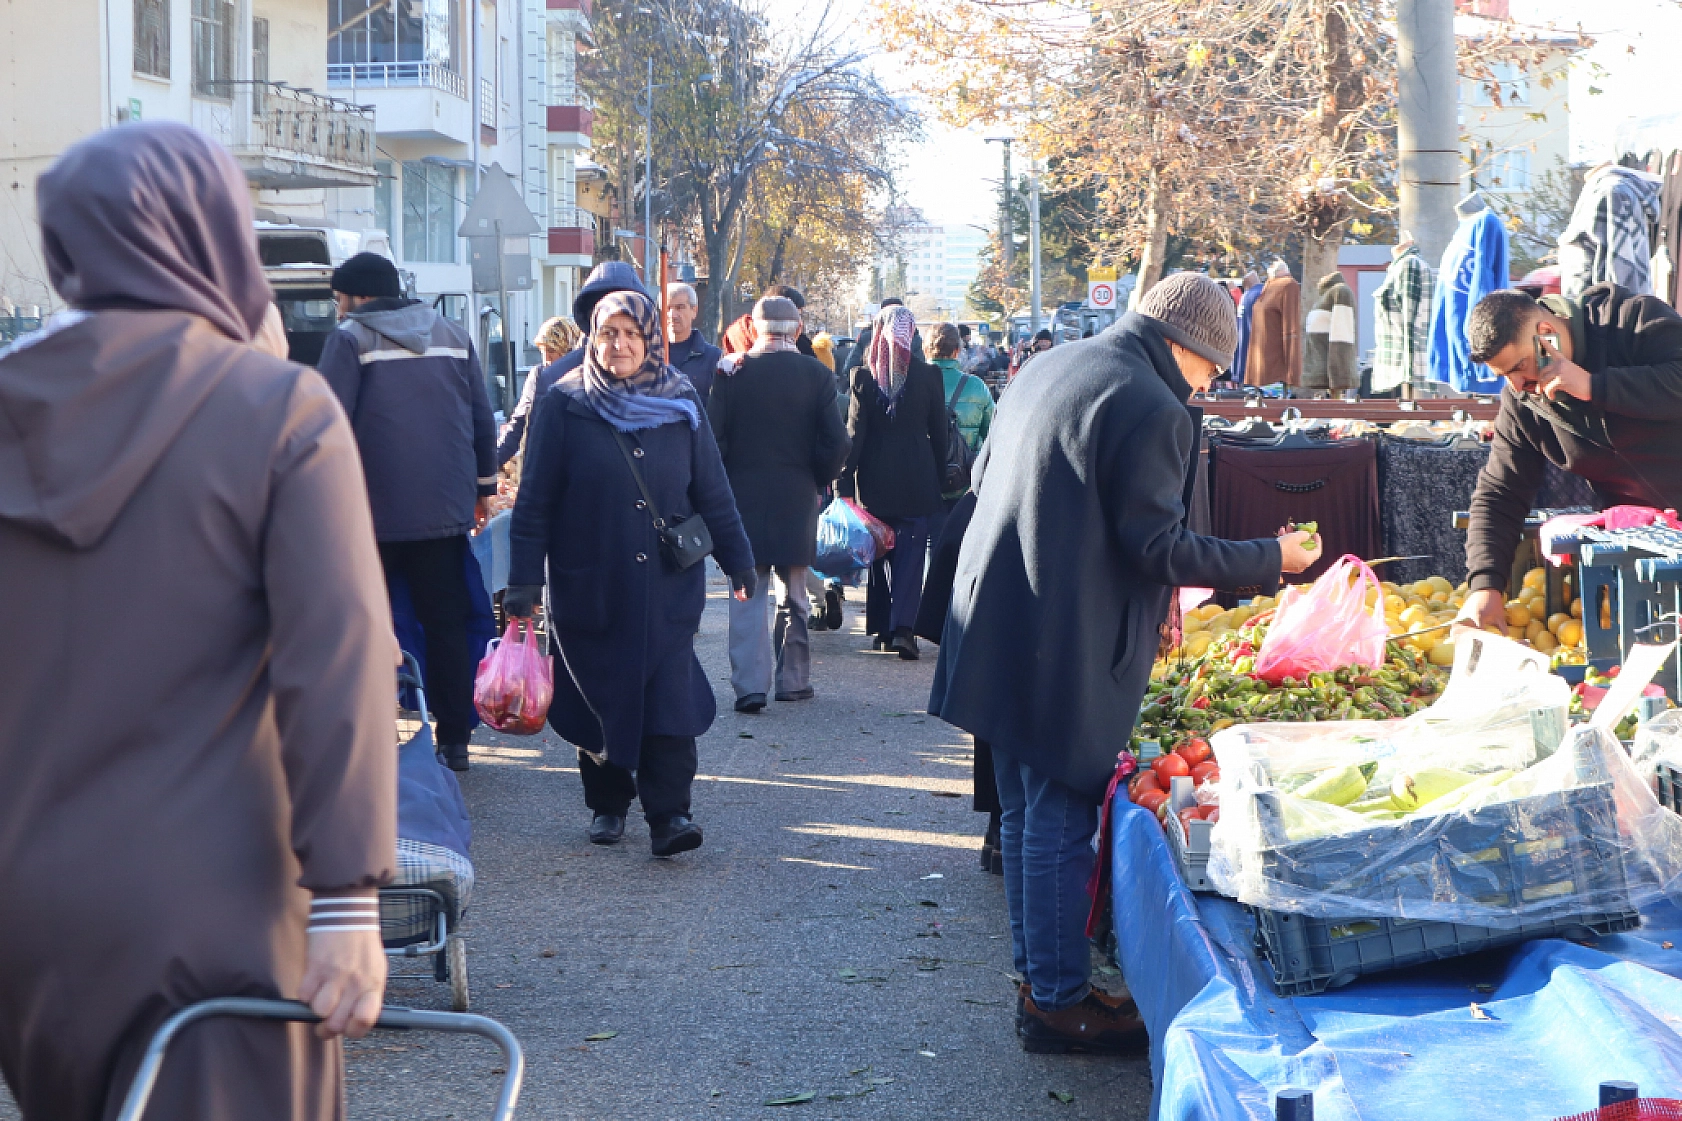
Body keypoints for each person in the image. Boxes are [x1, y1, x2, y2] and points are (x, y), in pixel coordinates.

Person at [0, 121, 394, 1119]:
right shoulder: (279, 410)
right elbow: (336, 661)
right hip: (222, 906)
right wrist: (348, 895)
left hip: (29, 909)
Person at [929, 273, 1318, 1055]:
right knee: (1058, 819)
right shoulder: (1155, 405)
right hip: (1059, 639)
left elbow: (988, 483)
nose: (1210, 386)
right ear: (1186, 347)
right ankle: (1057, 1003)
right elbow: (1158, 545)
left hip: (995, 617)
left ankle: (1042, 982)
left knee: (1024, 811)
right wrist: (1271, 555)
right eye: (1212, 368)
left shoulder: (1050, 365)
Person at [503, 290, 755, 855]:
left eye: (630, 335)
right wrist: (524, 582)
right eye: (608, 335)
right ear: (592, 340)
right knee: (600, 695)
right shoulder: (564, 403)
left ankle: (670, 815)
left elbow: (712, 490)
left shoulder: (682, 399)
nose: (619, 345)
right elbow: (535, 502)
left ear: (649, 341)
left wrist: (739, 561)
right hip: (589, 582)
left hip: (667, 586)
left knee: (670, 699)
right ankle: (608, 803)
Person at [316, 251, 495, 773]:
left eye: (339, 298)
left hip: (369, 514)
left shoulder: (349, 339)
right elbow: (481, 417)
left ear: (359, 297)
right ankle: (455, 739)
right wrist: (483, 488)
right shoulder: (452, 334)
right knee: (444, 623)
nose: (338, 308)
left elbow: (327, 425)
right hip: (443, 511)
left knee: (367, 622)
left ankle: (372, 732)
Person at [1456, 285, 1682, 632]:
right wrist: (1485, 585)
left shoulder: (1632, 320)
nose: (1517, 385)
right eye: (1505, 376)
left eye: (1519, 366)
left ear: (1546, 334)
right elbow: (1500, 493)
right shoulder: (1523, 402)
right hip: (1651, 551)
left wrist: (1594, 386)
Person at [711, 297, 851, 712]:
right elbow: (837, 441)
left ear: (755, 327)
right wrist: (819, 477)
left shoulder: (731, 374)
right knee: (794, 592)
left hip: (741, 498)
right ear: (798, 327)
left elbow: (712, 441)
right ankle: (792, 679)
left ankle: (750, 686)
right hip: (796, 494)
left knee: (746, 592)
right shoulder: (815, 374)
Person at [838, 304, 949, 660]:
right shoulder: (930, 377)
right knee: (911, 557)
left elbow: (854, 437)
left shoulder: (863, 377)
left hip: (873, 484)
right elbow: (940, 435)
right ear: (912, 333)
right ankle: (905, 630)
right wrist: (938, 473)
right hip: (918, 481)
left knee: (878, 555)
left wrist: (843, 486)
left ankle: (884, 629)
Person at [497, 260, 650, 466]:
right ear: (590, 315)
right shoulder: (553, 379)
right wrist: (483, 477)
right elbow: (537, 460)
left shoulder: (672, 385)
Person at [926, 321, 996, 550]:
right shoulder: (976, 387)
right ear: (957, 351)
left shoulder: (915, 383)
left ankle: (932, 584)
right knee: (963, 545)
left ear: (927, 349)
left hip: (925, 480)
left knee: (930, 546)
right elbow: (993, 435)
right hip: (964, 480)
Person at [666, 280, 722, 400]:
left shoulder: (713, 358)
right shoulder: (651, 356)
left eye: (679, 307)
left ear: (694, 311)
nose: (672, 315)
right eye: (667, 308)